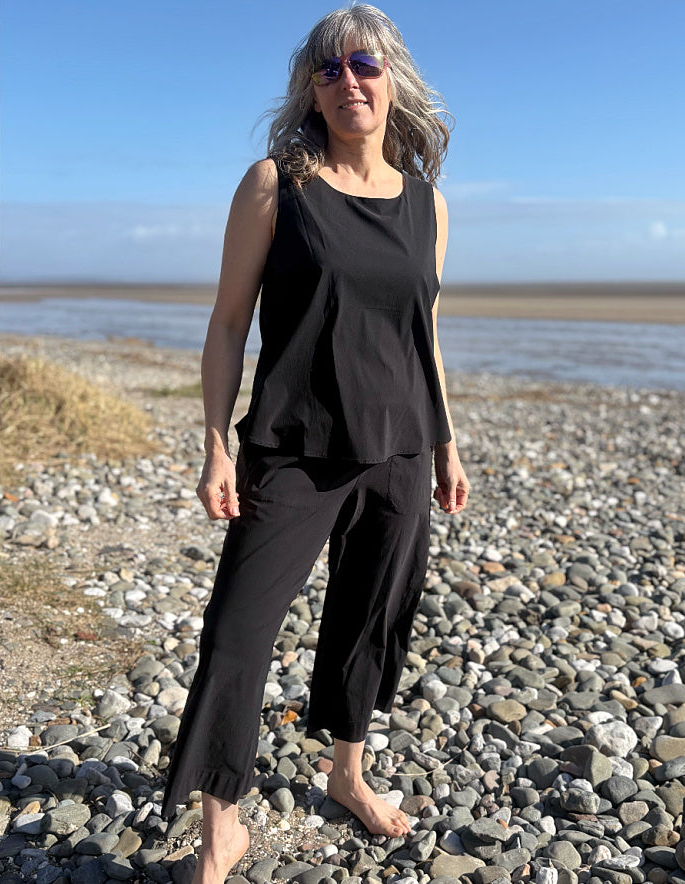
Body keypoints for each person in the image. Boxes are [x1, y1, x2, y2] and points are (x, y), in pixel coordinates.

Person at [160, 5, 470, 880]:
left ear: (393, 79)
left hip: (401, 446)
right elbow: (229, 324)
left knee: (371, 619)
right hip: (292, 445)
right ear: (310, 89)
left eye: (364, 65)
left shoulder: (429, 206)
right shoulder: (276, 185)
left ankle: (347, 773)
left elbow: (425, 333)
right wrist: (215, 444)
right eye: (327, 70)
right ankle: (222, 826)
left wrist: (447, 443)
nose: (347, 82)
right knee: (236, 631)